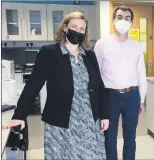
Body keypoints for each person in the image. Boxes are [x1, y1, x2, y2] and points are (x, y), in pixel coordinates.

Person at [2, 11, 109, 159]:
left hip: (89, 121)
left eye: (82, 29)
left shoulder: (89, 55)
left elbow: (99, 86)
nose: (78, 31)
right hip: (60, 122)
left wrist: (104, 115)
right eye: (74, 26)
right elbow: (34, 85)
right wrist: (19, 115)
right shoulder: (49, 52)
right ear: (65, 28)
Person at [94, 6, 147, 160]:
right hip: (110, 96)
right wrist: (98, 101)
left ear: (131, 22)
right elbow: (96, 75)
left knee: (130, 138)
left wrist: (141, 99)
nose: (123, 20)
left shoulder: (136, 45)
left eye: (127, 18)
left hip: (132, 95)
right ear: (113, 20)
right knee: (109, 138)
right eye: (119, 17)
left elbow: (141, 73)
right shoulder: (102, 44)